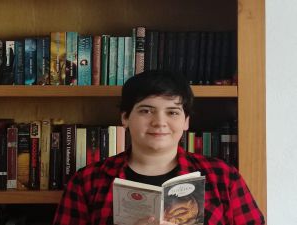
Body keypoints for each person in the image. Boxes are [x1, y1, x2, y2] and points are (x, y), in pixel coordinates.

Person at [53, 71, 265, 225]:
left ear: (186, 121)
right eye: (146, 111)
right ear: (125, 118)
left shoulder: (223, 176)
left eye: (172, 112)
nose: (159, 122)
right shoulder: (88, 181)